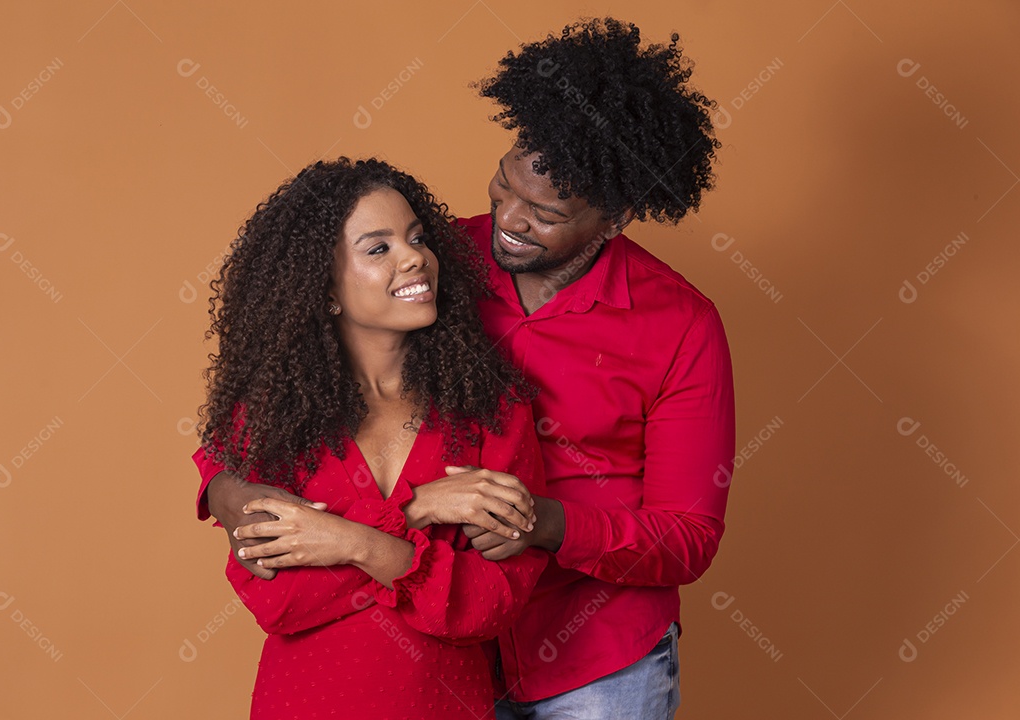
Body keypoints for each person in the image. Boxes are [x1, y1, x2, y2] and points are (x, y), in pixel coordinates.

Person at [206, 17, 735, 720]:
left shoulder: (681, 326)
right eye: (504, 186)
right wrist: (232, 494)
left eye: (545, 213)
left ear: (616, 217)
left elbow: (687, 536)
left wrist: (543, 522)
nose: (509, 218)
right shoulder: (428, 265)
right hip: (424, 658)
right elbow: (283, 397)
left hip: (594, 661)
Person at [192, 157, 549, 719]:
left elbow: (490, 604)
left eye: (417, 238)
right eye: (378, 248)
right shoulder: (270, 418)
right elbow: (279, 601)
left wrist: (345, 542)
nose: (416, 258)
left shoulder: (493, 411)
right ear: (324, 287)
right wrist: (415, 512)